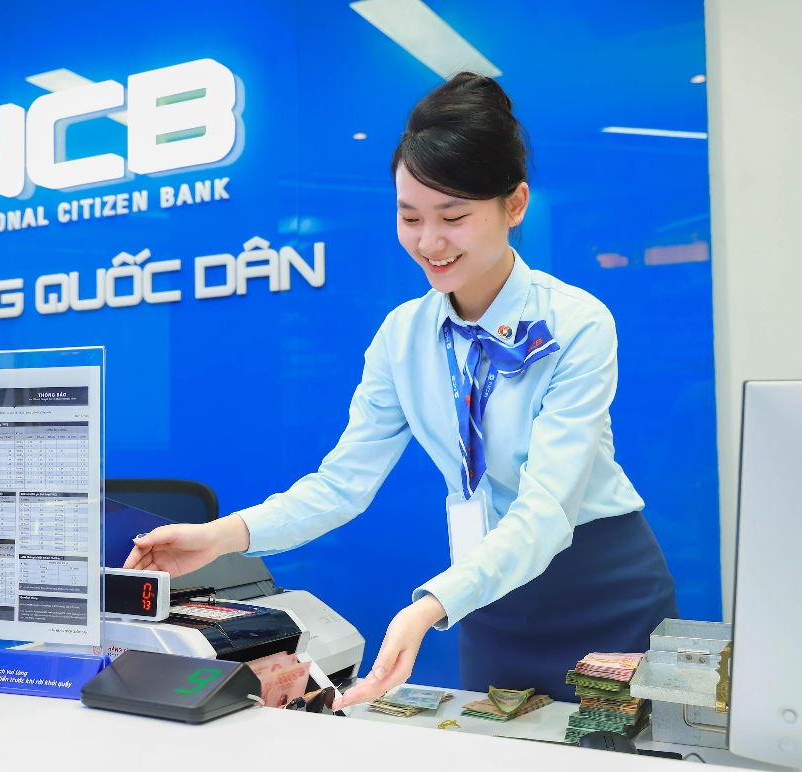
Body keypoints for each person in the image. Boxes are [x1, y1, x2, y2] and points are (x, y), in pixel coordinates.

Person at [125, 72, 678, 709]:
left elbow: (547, 509)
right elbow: (341, 484)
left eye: (454, 217)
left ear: (516, 204)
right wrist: (220, 537)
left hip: (600, 588)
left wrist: (431, 605)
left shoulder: (577, 323)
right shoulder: (402, 336)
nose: (429, 242)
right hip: (488, 597)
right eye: (409, 217)